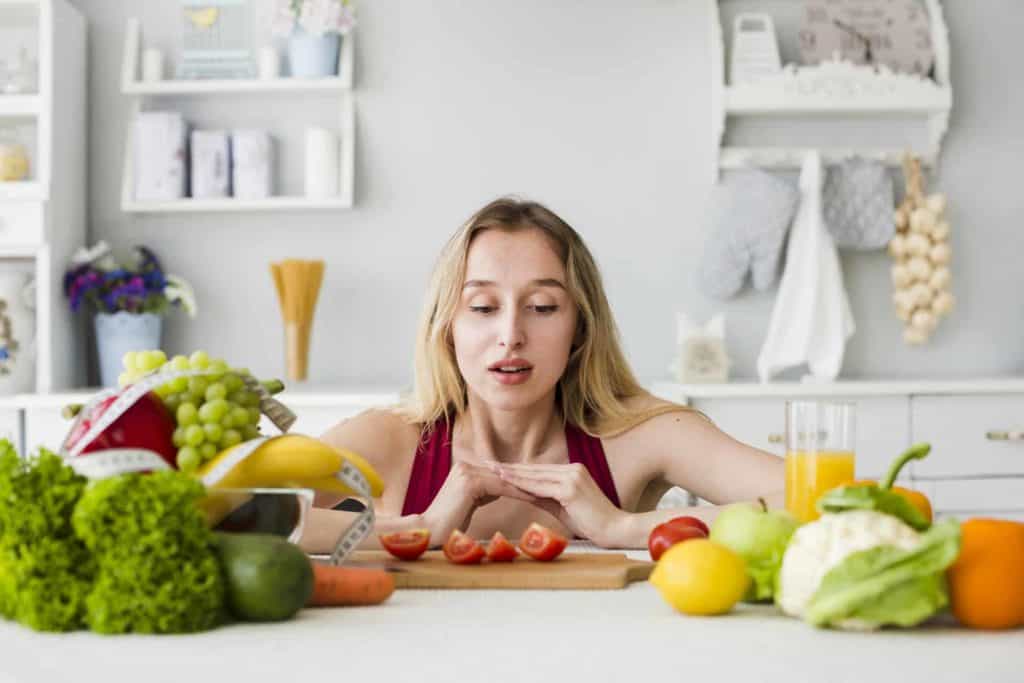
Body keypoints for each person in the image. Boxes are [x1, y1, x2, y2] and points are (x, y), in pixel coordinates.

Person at [302, 197, 782, 553]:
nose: (510, 334)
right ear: (447, 328)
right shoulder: (389, 440)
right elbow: (239, 514)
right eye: (483, 307)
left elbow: (828, 503)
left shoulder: (641, 435)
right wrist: (422, 526)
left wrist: (621, 528)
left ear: (580, 327)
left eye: (542, 307)